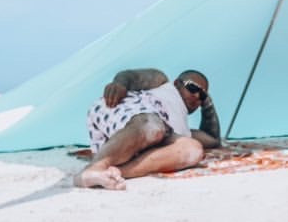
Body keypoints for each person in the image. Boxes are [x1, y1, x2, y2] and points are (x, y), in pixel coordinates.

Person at [74, 68, 221, 190]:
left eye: (202, 95)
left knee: (193, 150)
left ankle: (114, 172)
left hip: (157, 132)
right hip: (122, 109)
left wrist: (208, 104)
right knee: (153, 127)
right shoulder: (162, 83)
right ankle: (93, 169)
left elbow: (213, 139)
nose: (196, 96)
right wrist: (119, 84)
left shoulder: (183, 128)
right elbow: (131, 76)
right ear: (177, 83)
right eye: (192, 87)